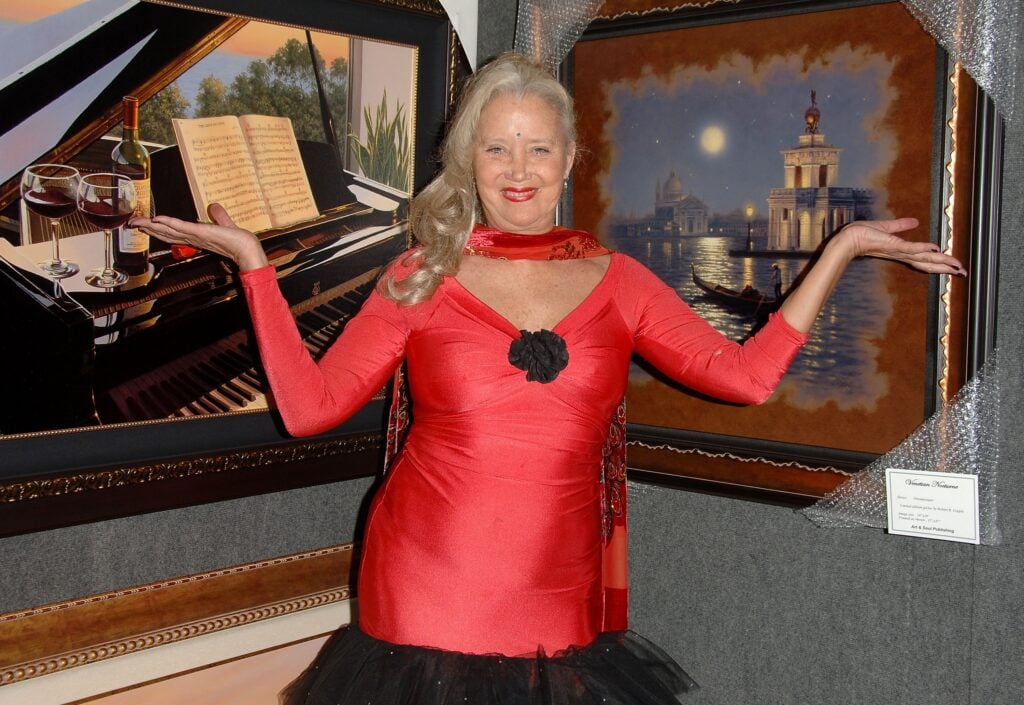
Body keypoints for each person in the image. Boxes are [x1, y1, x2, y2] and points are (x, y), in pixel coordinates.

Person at [132, 52, 964, 705]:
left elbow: (742, 377)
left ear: (568, 157)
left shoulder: (623, 281)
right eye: (496, 146)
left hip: (558, 593)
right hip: (424, 583)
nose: (517, 167)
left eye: (537, 146)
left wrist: (840, 250)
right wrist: (254, 271)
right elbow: (310, 408)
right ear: (468, 159)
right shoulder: (420, 274)